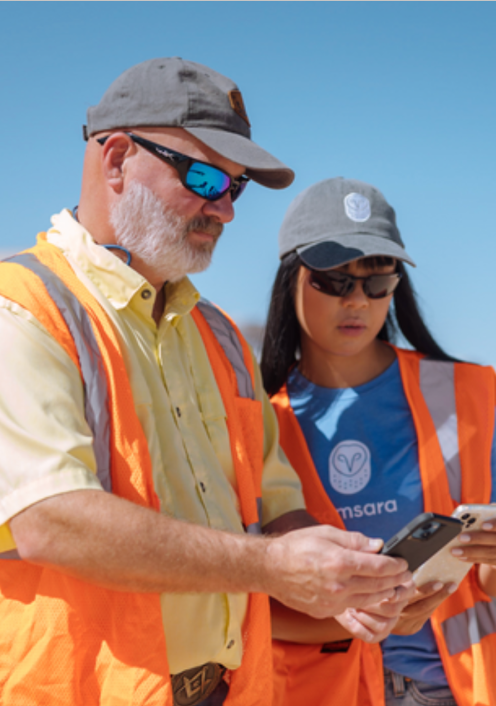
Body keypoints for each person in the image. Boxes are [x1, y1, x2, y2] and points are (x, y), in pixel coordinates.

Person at [0, 63, 411, 706]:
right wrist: (271, 567)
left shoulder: (217, 333)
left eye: (236, 188)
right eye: (204, 177)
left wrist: (353, 576)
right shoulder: (23, 309)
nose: (224, 209)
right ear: (115, 161)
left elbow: (275, 508)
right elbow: (53, 522)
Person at [261, 177, 496, 706]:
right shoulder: (254, 418)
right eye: (334, 281)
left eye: (377, 283)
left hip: (455, 690)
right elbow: (244, 600)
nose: (358, 302)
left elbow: (487, 583)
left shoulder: (473, 393)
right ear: (290, 280)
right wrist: (371, 620)